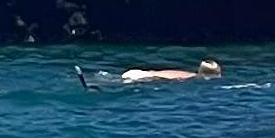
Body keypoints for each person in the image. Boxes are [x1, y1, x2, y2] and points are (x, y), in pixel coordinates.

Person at [75, 60, 221, 88]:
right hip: (141, 76)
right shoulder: (190, 78)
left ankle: (89, 79)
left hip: (137, 71)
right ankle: (93, 83)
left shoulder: (187, 73)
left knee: (116, 79)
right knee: (115, 84)